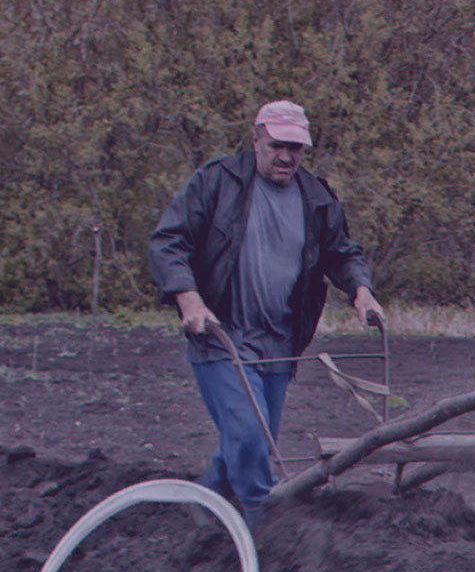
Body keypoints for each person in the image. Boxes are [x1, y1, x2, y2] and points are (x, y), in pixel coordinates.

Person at [149, 99, 385, 528]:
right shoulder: (218, 182)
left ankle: (202, 515)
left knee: (250, 442)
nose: (287, 156)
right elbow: (170, 241)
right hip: (221, 334)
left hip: (279, 340)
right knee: (250, 435)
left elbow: (342, 252)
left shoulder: (315, 196)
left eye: (296, 147)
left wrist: (362, 292)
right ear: (256, 139)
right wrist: (189, 301)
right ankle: (268, 529)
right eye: (278, 144)